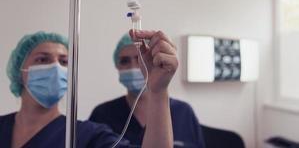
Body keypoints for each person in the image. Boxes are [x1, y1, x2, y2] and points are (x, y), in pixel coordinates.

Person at [0, 30, 178, 148]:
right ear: (19, 70)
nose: (56, 68)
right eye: (43, 59)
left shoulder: (86, 136)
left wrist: (158, 92)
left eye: (64, 62)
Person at [89, 33, 206, 148]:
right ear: (117, 66)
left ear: (154, 61)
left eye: (139, 59)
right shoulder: (103, 114)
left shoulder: (183, 112)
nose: (133, 67)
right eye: (125, 61)